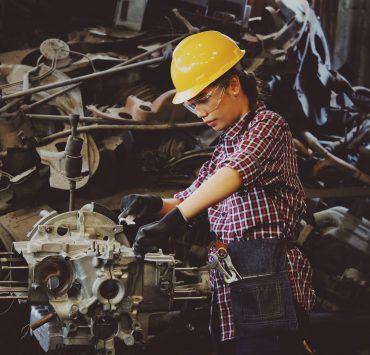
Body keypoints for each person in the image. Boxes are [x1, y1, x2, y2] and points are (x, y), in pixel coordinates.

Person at [120, 31, 316, 355]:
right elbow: (191, 197)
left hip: (270, 285)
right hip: (230, 288)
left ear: (234, 84)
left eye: (204, 99)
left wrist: (175, 222)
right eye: (194, 104)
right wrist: (153, 206)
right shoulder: (225, 145)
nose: (200, 113)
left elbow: (233, 174)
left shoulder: (268, 125)